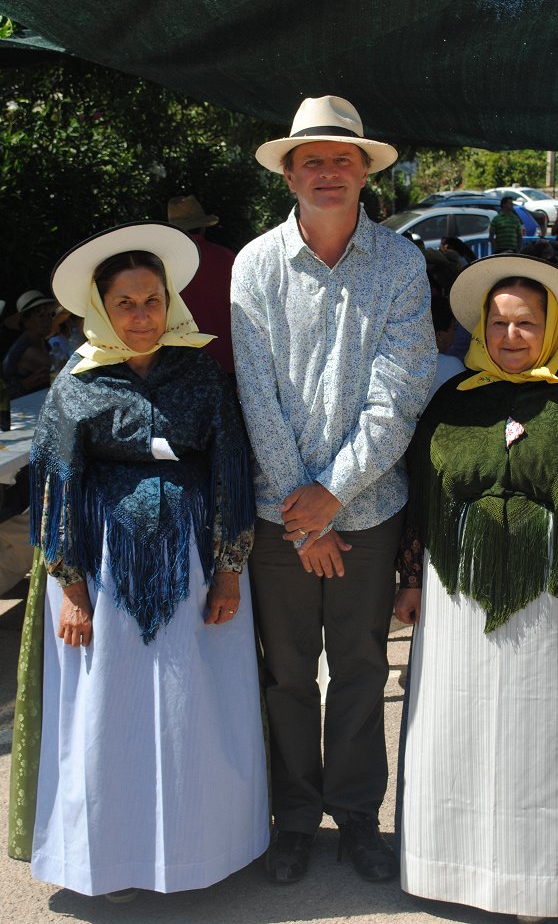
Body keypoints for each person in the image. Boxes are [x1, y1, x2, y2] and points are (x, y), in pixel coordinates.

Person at [11, 221, 269, 898]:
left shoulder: (200, 374)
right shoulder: (77, 382)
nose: (141, 315)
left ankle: (201, 850)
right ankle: (113, 858)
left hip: (191, 567)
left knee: (197, 703)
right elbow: (55, 483)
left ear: (170, 300)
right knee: (112, 709)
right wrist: (71, 588)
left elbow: (230, 468)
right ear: (101, 308)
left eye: (151, 299)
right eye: (125, 303)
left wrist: (230, 568)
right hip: (106, 570)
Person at [396, 254, 558, 922]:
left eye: (527, 324)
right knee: (463, 728)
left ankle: (550, 879)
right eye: (500, 323)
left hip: (556, 606)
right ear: (482, 327)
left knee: (546, 739)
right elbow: (422, 497)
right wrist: (409, 580)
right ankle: (455, 866)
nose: (511, 337)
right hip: (455, 606)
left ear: (554, 328)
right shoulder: (451, 404)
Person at [231, 95, 435, 884]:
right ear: (287, 172)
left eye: (340, 158)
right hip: (281, 515)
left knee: (358, 669)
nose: (327, 170)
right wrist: (305, 514)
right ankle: (292, 819)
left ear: (363, 171)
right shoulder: (255, 265)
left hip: (369, 508)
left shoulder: (398, 262)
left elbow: (403, 389)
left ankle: (356, 819)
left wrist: (335, 495)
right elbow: (256, 396)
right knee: (285, 674)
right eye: (310, 158)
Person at [168, 194, 236, 374]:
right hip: (230, 359)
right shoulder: (227, 257)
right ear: (204, 227)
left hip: (185, 363)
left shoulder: (164, 267)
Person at [2, 290, 55, 397]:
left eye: (49, 314)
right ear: (26, 322)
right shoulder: (27, 350)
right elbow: (61, 369)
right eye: (41, 315)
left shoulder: (42, 342)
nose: (48, 319)